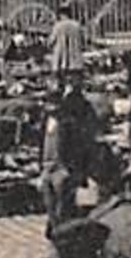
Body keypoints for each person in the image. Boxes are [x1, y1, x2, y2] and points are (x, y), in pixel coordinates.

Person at [41, 80, 98, 231]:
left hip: (62, 169)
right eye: (49, 104)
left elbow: (78, 149)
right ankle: (54, 228)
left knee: (63, 205)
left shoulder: (69, 123)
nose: (51, 108)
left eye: (54, 104)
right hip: (47, 167)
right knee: (49, 204)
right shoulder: (45, 121)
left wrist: (72, 170)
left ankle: (62, 233)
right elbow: (42, 143)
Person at [48, 5, 86, 78]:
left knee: (61, 80)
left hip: (61, 58)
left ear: (61, 15)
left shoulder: (58, 26)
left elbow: (51, 41)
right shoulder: (77, 25)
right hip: (75, 58)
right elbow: (83, 41)